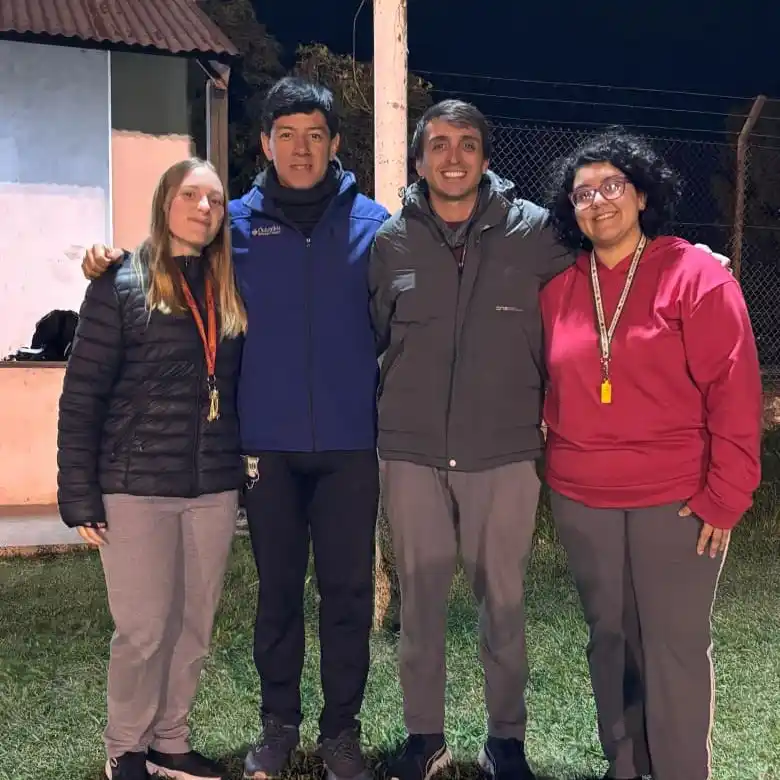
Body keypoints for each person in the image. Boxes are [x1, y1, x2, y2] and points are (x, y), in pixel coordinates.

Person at [80, 77, 390, 780]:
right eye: (287, 135)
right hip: (264, 451)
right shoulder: (234, 225)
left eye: (315, 135)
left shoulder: (376, 225)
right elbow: (169, 256)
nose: (301, 149)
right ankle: (277, 726)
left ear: (336, 144)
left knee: (344, 597)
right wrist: (110, 260)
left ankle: (341, 731)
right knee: (276, 596)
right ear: (265, 143)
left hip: (349, 446)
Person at [540, 132, 762, 780]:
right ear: (571, 210)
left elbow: (735, 391)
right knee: (610, 643)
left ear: (641, 193)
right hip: (583, 499)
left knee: (673, 649)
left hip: (677, 500)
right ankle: (626, 763)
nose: (599, 201)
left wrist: (727, 495)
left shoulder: (696, 274)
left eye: (612, 185)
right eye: (583, 193)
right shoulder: (557, 291)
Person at [368, 100, 573, 780]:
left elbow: (612, 252)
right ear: (420, 158)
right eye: (439, 145)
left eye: (467, 144)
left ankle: (504, 740)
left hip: (504, 451)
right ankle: (423, 739)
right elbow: (370, 336)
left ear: (486, 157)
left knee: (503, 605)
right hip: (412, 453)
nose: (452, 157)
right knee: (420, 607)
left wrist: (686, 253)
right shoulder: (391, 241)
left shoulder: (538, 233)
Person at [58, 158, 247, 780]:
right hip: (135, 487)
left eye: (215, 201)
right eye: (191, 195)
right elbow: (83, 394)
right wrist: (78, 493)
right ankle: (125, 748)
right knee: (143, 629)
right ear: (165, 201)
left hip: (211, 486)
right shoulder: (119, 283)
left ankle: (170, 739)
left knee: (193, 626)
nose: (204, 209)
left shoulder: (227, 286)